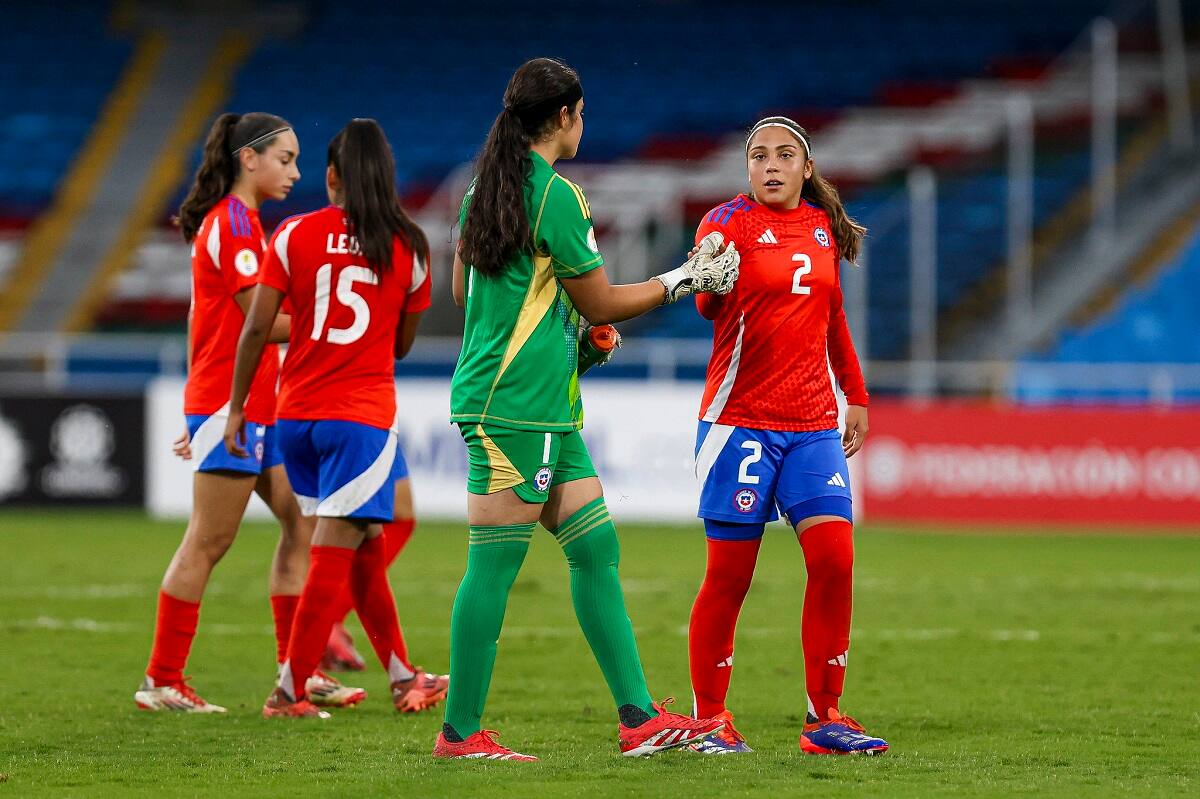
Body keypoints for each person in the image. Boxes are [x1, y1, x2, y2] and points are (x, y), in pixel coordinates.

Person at [437, 57, 739, 761]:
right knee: (492, 567)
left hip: (540, 404)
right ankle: (459, 733)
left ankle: (639, 717)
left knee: (596, 548)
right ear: (566, 115)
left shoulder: (482, 186)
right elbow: (599, 298)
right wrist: (682, 277)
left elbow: (469, 291)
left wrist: (571, 340)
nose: (585, 124)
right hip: (516, 407)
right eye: (583, 113)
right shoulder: (558, 196)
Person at [135, 112, 358, 712]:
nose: (297, 171)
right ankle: (162, 679)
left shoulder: (244, 224)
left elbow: (208, 323)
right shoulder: (233, 225)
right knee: (210, 539)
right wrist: (340, 324)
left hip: (250, 404)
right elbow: (257, 322)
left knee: (299, 523)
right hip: (233, 408)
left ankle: (299, 672)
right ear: (248, 159)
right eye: (286, 159)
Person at [224, 118, 447, 719]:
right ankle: (289, 690)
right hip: (360, 419)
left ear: (331, 177)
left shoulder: (294, 234)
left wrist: (239, 406)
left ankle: (404, 675)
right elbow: (400, 345)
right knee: (336, 548)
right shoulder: (410, 245)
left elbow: (254, 329)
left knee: (365, 541)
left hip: (294, 416)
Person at [685, 116, 888, 755]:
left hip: (810, 426)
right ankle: (709, 719)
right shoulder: (725, 223)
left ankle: (824, 719)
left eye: (783, 156)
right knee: (730, 576)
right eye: (757, 156)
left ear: (806, 167)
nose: (769, 165)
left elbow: (833, 318)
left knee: (835, 561)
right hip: (739, 420)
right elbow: (706, 306)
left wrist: (853, 394)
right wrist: (709, 279)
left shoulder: (823, 229)